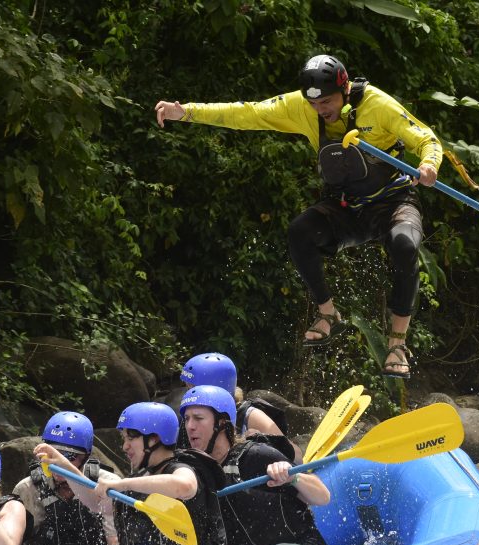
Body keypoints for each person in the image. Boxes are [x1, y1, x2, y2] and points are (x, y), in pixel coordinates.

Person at [156, 54, 445, 379]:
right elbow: (247, 113)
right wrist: (188, 112)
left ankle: (397, 343)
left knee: (405, 246)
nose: (322, 109)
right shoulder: (300, 107)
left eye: (328, 101)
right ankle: (328, 314)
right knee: (300, 231)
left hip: (393, 201)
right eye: (315, 103)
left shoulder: (378, 105)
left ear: (345, 89)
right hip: (346, 207)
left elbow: (426, 137)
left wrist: (429, 164)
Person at [38, 401, 238, 545]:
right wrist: (65, 467)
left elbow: (185, 486)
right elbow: (97, 503)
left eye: (130, 438)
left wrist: (124, 484)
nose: (124, 447)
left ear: (154, 439)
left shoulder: (181, 468)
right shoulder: (145, 479)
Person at [180, 385, 336, 545]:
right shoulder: (197, 472)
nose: (190, 426)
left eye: (198, 418)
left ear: (222, 424)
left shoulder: (256, 455)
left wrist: (292, 478)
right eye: (186, 419)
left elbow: (323, 496)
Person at [13, 411, 119, 545]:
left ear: (86, 457)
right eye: (50, 454)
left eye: (69, 457)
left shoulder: (108, 486)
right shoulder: (27, 490)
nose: (56, 463)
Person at [179, 351, 301, 461]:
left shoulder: (250, 415)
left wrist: (262, 443)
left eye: (192, 388)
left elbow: (297, 457)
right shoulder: (190, 418)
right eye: (187, 388)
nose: (188, 394)